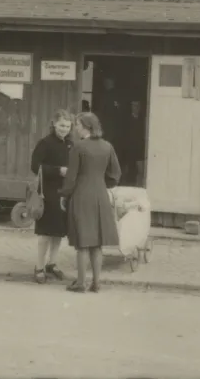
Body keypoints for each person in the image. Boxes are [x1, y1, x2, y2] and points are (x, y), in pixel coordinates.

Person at [59, 112, 121, 293]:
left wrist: (64, 194)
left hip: (81, 195)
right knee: (97, 243)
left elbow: (71, 177)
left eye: (78, 125)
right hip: (100, 194)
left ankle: (80, 283)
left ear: (86, 126)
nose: (76, 128)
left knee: (82, 242)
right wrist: (101, 183)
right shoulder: (107, 146)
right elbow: (115, 175)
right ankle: (96, 283)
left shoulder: (78, 147)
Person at [30, 110, 74, 284]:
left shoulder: (70, 144)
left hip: (64, 192)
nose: (64, 129)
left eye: (68, 126)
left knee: (59, 232)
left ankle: (52, 264)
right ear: (54, 124)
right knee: (45, 232)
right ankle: (39, 267)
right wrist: (58, 171)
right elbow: (35, 166)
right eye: (62, 125)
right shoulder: (45, 143)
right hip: (47, 193)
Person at [121, 100, 147, 187]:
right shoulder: (126, 120)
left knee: (140, 169)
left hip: (140, 147)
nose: (135, 108)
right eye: (134, 106)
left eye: (137, 106)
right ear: (131, 107)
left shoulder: (143, 119)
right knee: (129, 168)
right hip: (129, 148)